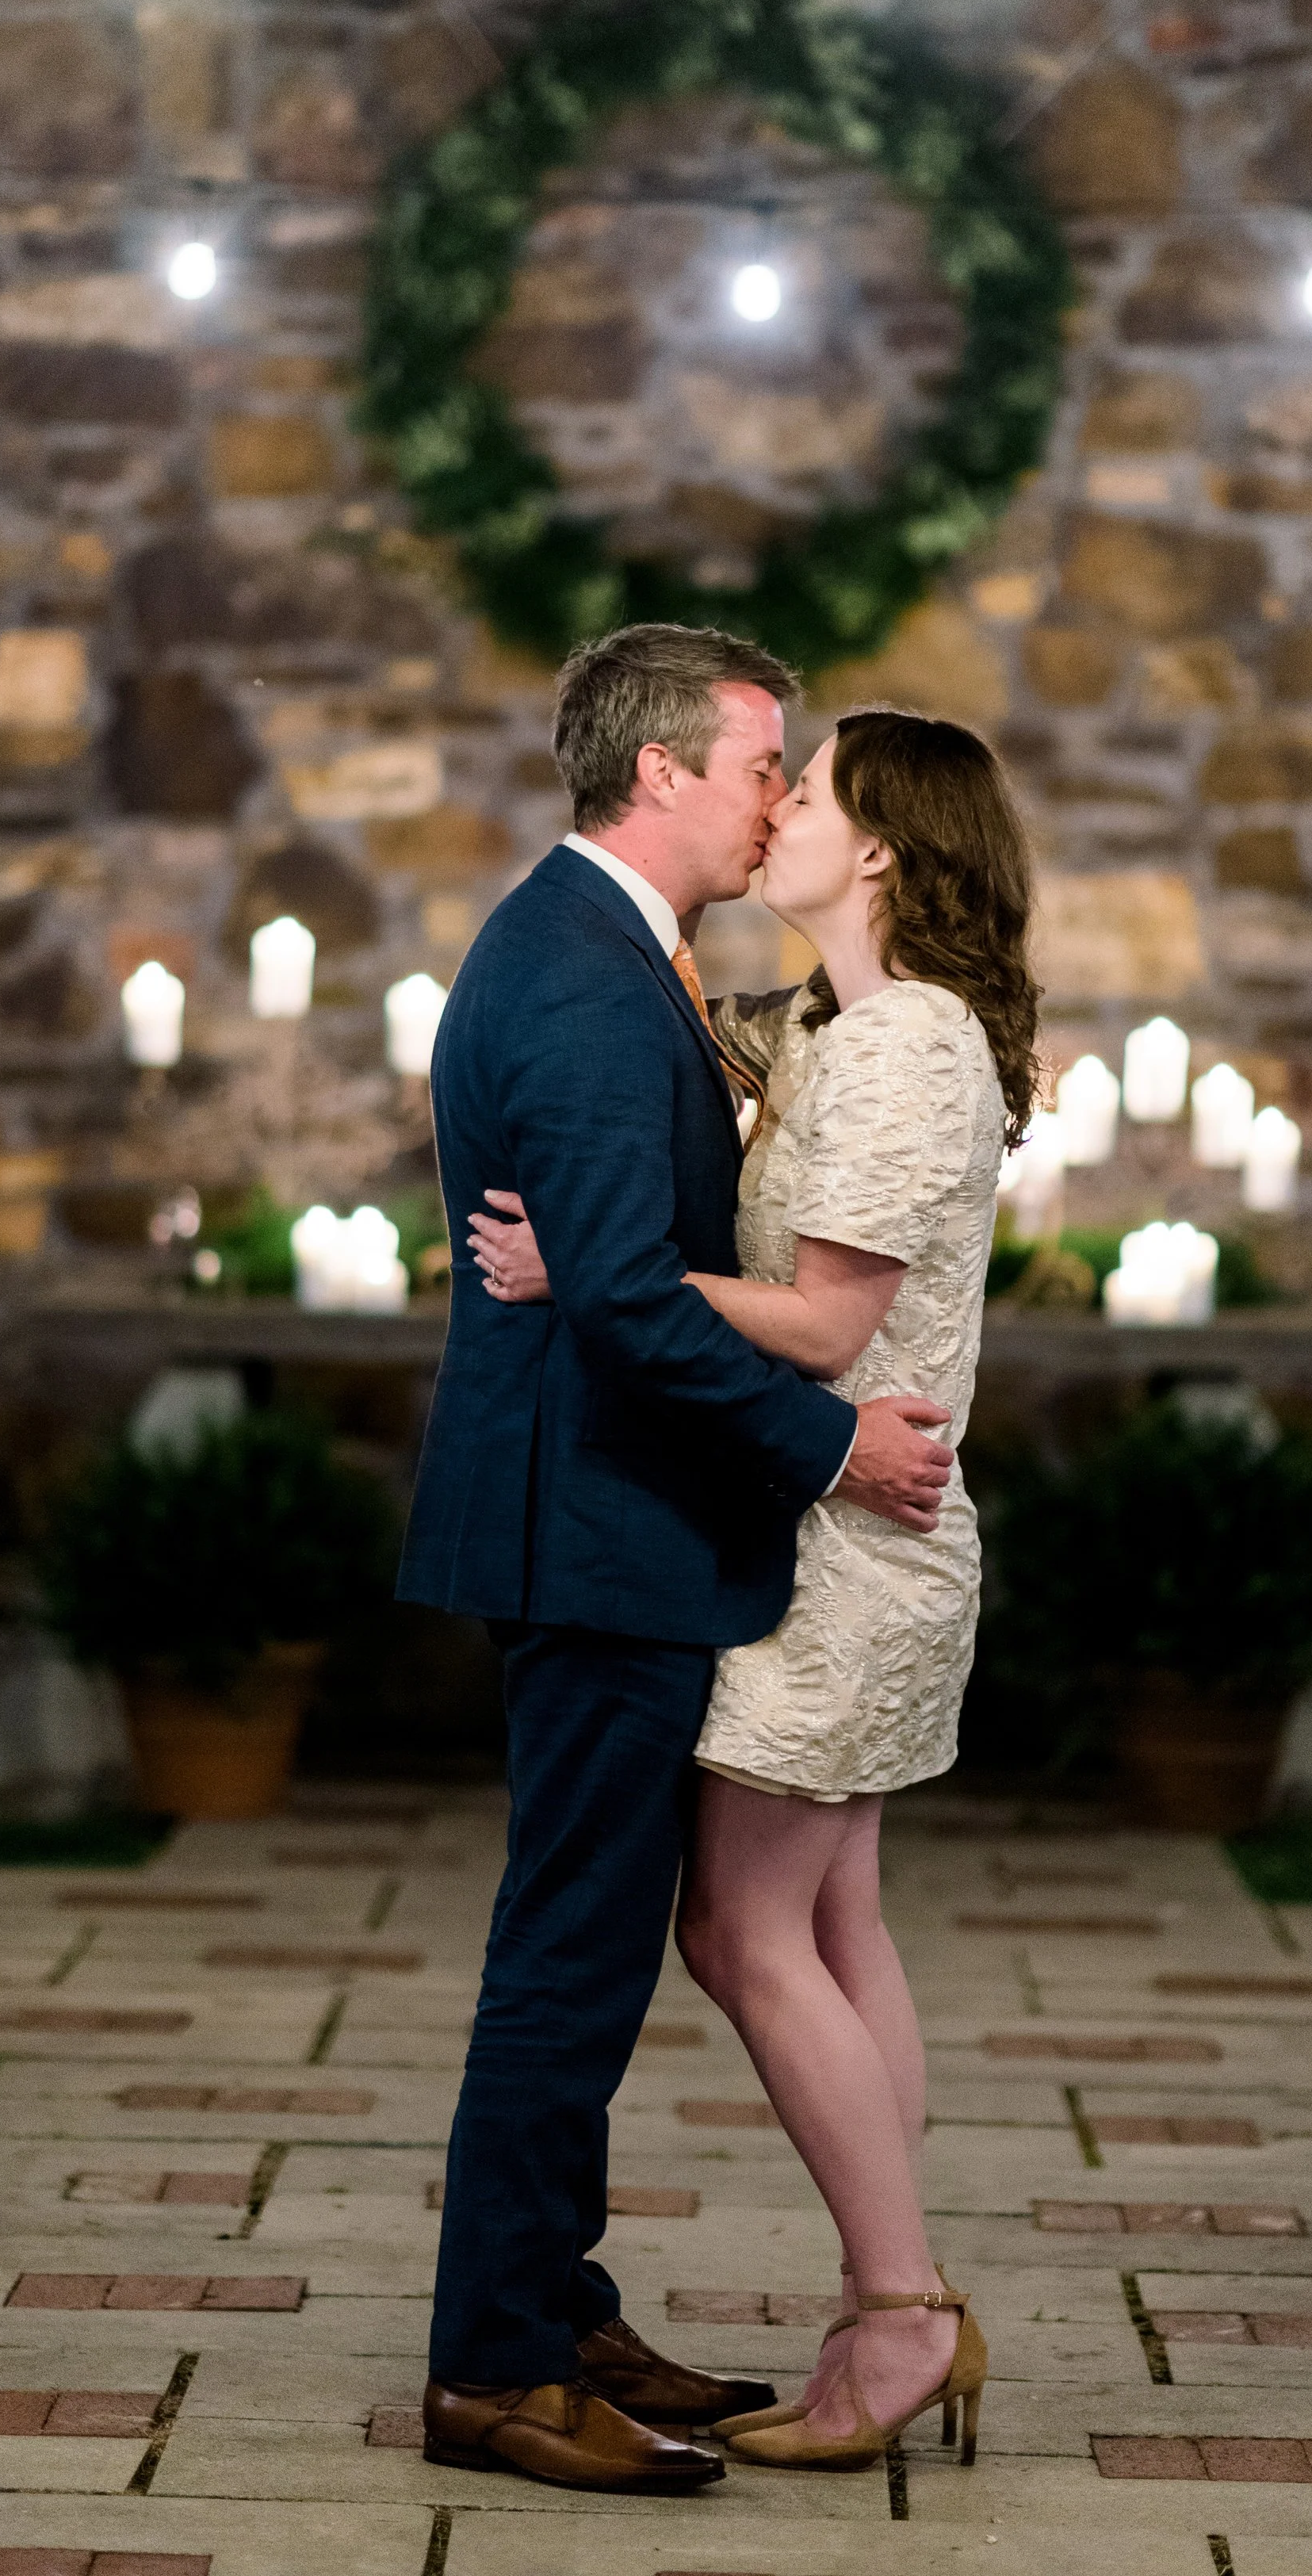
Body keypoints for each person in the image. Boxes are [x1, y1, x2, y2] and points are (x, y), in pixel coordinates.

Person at [400, 625, 958, 2498]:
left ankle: (555, 2310)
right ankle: (490, 2365)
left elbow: (615, 1272)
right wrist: (834, 1443)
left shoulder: (618, 959)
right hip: (592, 1524)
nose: (773, 797)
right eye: (755, 765)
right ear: (658, 773)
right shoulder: (571, 973)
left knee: (591, 1947)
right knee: (564, 1960)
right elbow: (627, 1299)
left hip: (613, 1519)